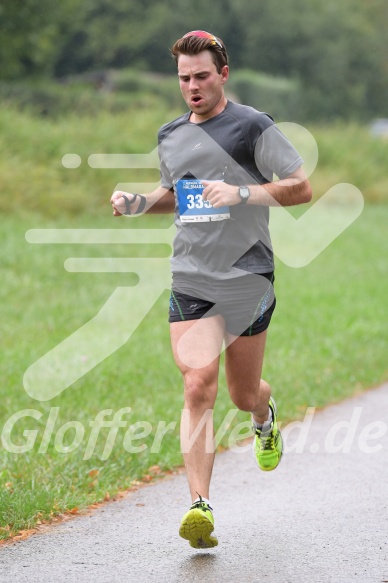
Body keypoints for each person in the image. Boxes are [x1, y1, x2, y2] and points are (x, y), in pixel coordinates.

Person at [110, 30, 312, 549]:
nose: (193, 86)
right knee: (197, 385)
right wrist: (138, 202)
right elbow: (175, 196)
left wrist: (243, 191)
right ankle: (199, 505)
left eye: (202, 76)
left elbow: (301, 185)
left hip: (247, 277)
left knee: (244, 393)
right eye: (184, 79)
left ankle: (264, 418)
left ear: (223, 74)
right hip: (192, 275)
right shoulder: (171, 134)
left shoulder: (252, 126)